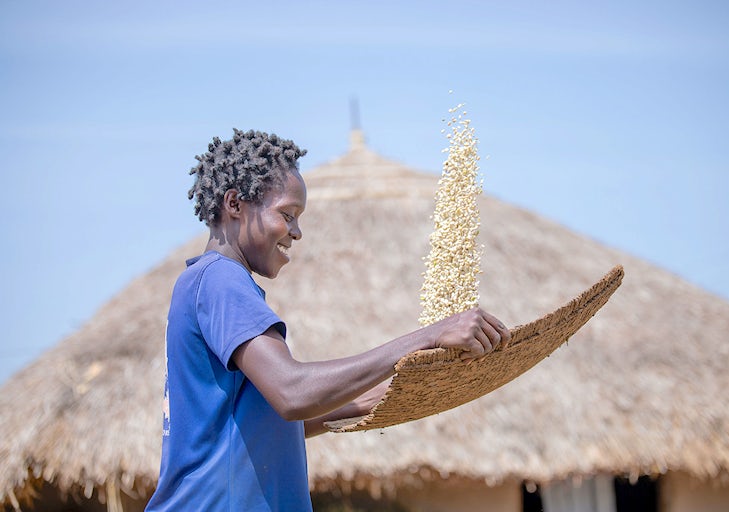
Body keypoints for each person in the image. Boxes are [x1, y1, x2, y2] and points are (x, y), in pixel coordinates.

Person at [145, 129, 511, 511]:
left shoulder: (206, 283)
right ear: (235, 204)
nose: (297, 232)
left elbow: (274, 424)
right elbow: (292, 393)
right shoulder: (221, 280)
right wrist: (430, 336)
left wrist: (393, 396)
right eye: (287, 215)